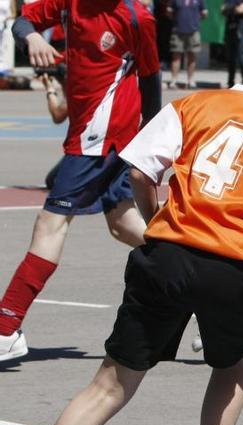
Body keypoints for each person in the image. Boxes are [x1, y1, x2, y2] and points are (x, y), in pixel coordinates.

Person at [11, 16, 243, 425]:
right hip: (236, 265)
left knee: (111, 382)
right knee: (233, 370)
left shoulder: (193, 104)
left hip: (168, 255)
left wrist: (155, 214)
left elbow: (140, 170)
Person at [0, 0, 162, 363]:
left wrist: (153, 146)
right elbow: (22, 21)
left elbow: (151, 81)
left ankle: (5, 327)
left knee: (50, 225)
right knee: (123, 225)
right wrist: (33, 40)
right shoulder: (69, 2)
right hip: (89, 131)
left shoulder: (137, 17)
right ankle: (199, 282)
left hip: (103, 136)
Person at [168, 0, 207, 89]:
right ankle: (174, 81)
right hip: (178, 31)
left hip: (193, 32)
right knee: (176, 57)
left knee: (192, 56)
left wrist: (195, 22)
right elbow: (169, 11)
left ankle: (190, 81)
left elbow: (204, 13)